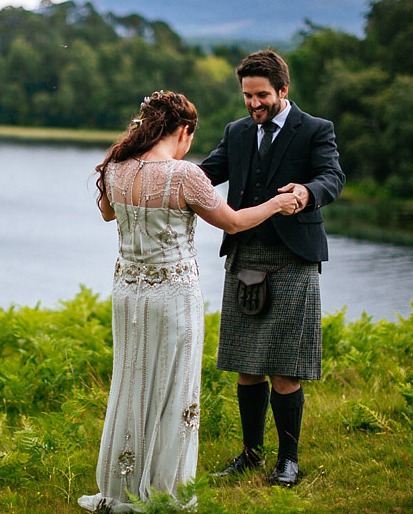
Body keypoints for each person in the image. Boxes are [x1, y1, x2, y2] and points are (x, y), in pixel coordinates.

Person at [78, 90, 300, 513]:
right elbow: (233, 221)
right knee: (173, 388)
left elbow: (108, 214)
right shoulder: (185, 175)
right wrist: (274, 203)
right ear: (183, 130)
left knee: (131, 383)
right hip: (174, 296)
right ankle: (165, 489)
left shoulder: (116, 168)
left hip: (128, 295)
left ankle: (120, 486)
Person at [199, 49, 345, 487]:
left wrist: (306, 192)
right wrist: (161, 174)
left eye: (262, 95)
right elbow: (206, 174)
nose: (253, 104)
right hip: (245, 256)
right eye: (247, 96)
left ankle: (288, 460)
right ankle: (250, 454)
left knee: (284, 367)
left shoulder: (315, 129)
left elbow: (332, 177)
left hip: (292, 259)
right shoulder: (238, 132)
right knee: (247, 364)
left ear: (284, 90)